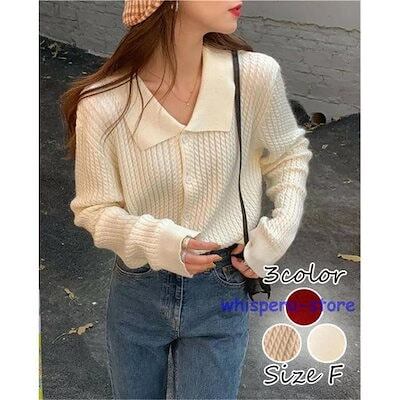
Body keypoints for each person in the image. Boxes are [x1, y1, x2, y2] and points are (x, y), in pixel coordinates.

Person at [61, 1, 313, 399]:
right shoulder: (104, 103)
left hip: (223, 287)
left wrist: (275, 236)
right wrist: (156, 240)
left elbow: (288, 156)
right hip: (138, 289)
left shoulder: (254, 76)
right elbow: (94, 210)